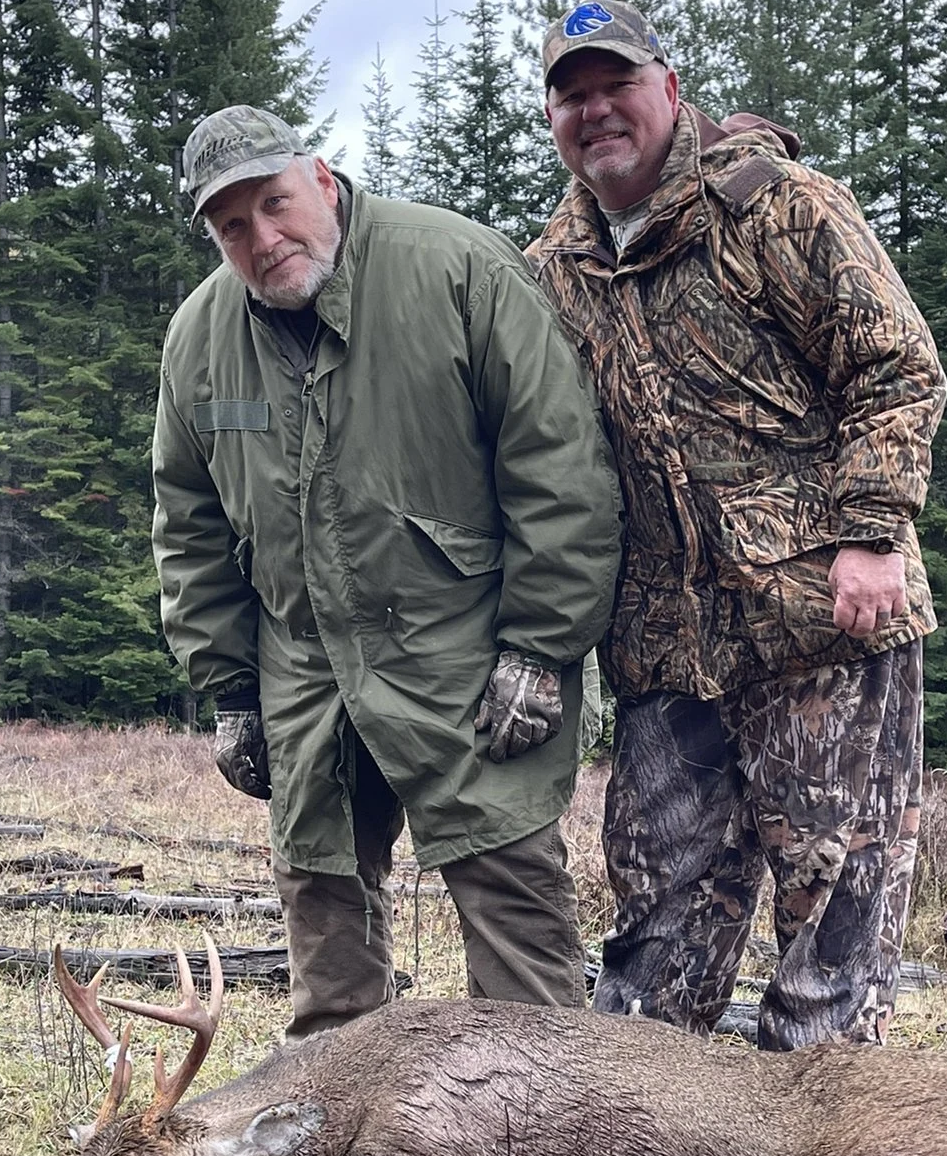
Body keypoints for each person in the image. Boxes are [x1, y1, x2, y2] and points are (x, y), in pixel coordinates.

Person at [528, 0, 947, 1051]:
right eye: (572, 94)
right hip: (667, 646)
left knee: (830, 924)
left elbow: (896, 367)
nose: (597, 111)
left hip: (823, 616)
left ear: (669, 89)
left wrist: (872, 532)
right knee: (653, 929)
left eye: (615, 84)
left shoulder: (779, 208)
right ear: (552, 118)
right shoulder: (555, 267)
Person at [153, 105, 622, 1038]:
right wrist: (233, 691)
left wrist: (539, 647)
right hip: (305, 672)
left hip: (467, 657)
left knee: (520, 943)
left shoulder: (459, 269)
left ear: (320, 179)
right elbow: (191, 525)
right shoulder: (199, 339)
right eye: (232, 226)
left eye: (275, 204)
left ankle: (534, 1155)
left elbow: (560, 468)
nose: (263, 238)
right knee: (326, 937)